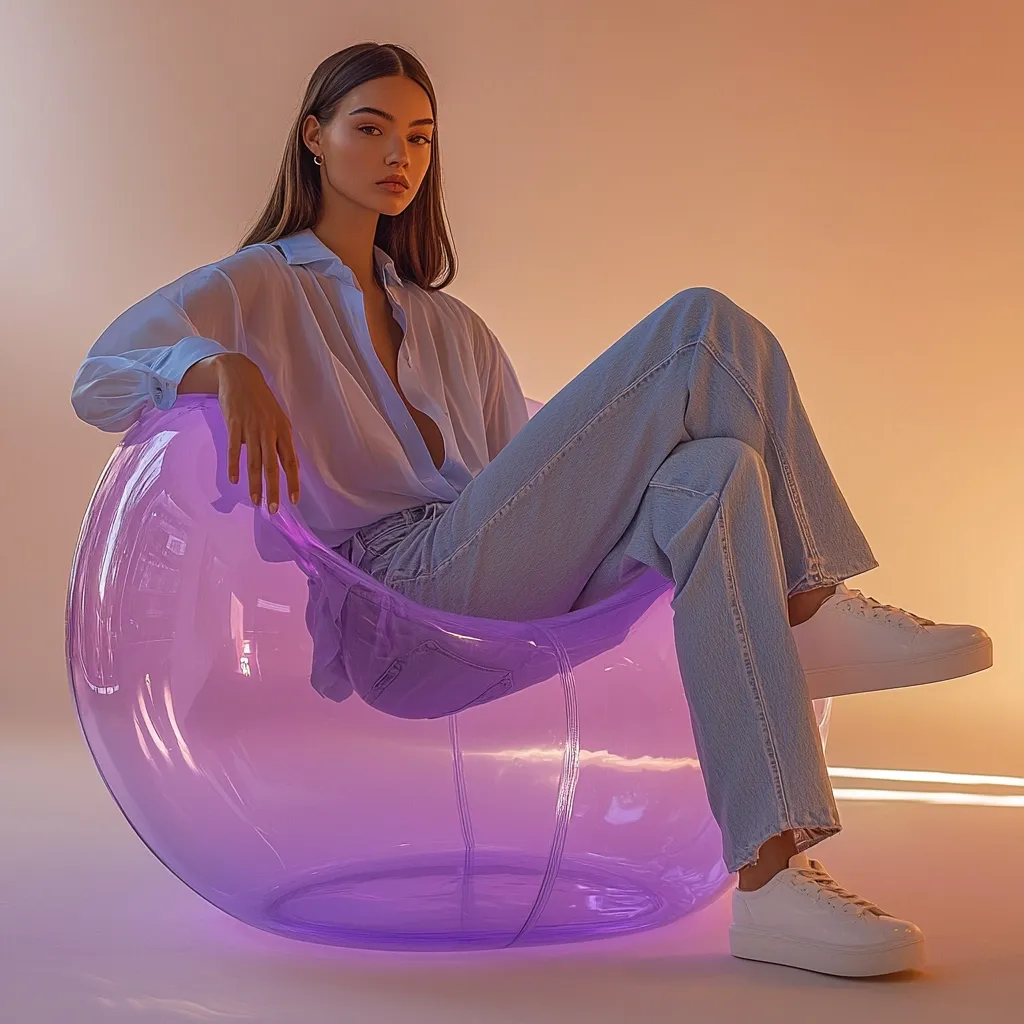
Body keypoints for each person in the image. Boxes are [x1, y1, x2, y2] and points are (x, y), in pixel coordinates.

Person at [70, 42, 992, 978]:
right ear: (314, 137)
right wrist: (215, 365)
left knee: (718, 472)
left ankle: (773, 882)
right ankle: (806, 609)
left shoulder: (450, 327)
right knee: (701, 326)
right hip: (392, 603)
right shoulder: (254, 287)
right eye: (371, 128)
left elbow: (527, 493)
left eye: (419, 138)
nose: (398, 156)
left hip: (486, 600)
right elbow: (100, 377)